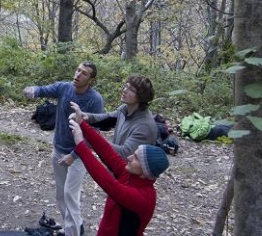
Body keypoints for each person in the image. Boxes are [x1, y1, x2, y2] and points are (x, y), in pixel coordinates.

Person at [23, 62, 105, 236]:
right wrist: (33, 90)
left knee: (70, 194)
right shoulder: (64, 88)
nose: (78, 75)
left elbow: (94, 136)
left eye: (84, 74)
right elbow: (44, 89)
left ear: (91, 80)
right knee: (61, 194)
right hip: (58, 148)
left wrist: (74, 155)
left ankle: (73, 233)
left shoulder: (94, 100)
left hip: (80, 154)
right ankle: (73, 227)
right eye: (78, 70)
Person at [68, 114, 169, 235]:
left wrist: (81, 145)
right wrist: (83, 124)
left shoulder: (142, 197)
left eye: (136, 158)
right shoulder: (130, 175)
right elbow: (108, 152)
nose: (129, 157)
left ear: (145, 171)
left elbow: (107, 182)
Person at [72, 75, 158, 159]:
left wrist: (92, 140)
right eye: (126, 86)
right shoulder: (124, 110)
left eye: (131, 89)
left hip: (127, 172)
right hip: (115, 169)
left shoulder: (144, 126)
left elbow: (125, 154)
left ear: (141, 97)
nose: (124, 90)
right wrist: (86, 116)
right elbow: (107, 118)